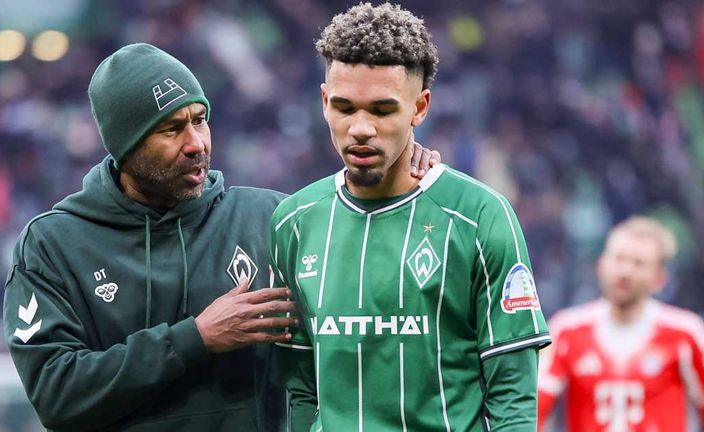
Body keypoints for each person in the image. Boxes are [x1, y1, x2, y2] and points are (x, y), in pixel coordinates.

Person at [2, 43, 440, 432]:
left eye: (200, 120)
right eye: (171, 129)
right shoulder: (52, 244)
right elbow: (56, 395)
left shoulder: (272, 217)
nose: (196, 143)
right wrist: (195, 338)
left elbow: (377, 290)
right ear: (124, 145)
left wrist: (399, 173)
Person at [268, 3, 550, 431]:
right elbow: (299, 388)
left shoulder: (480, 217)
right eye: (345, 108)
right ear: (324, 103)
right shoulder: (293, 222)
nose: (361, 128)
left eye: (382, 110)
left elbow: (514, 397)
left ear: (419, 108)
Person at [538, 216, 704, 431]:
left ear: (660, 278)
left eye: (638, 263)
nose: (625, 272)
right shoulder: (567, 331)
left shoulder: (684, 332)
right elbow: (534, 409)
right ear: (600, 264)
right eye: (618, 259)